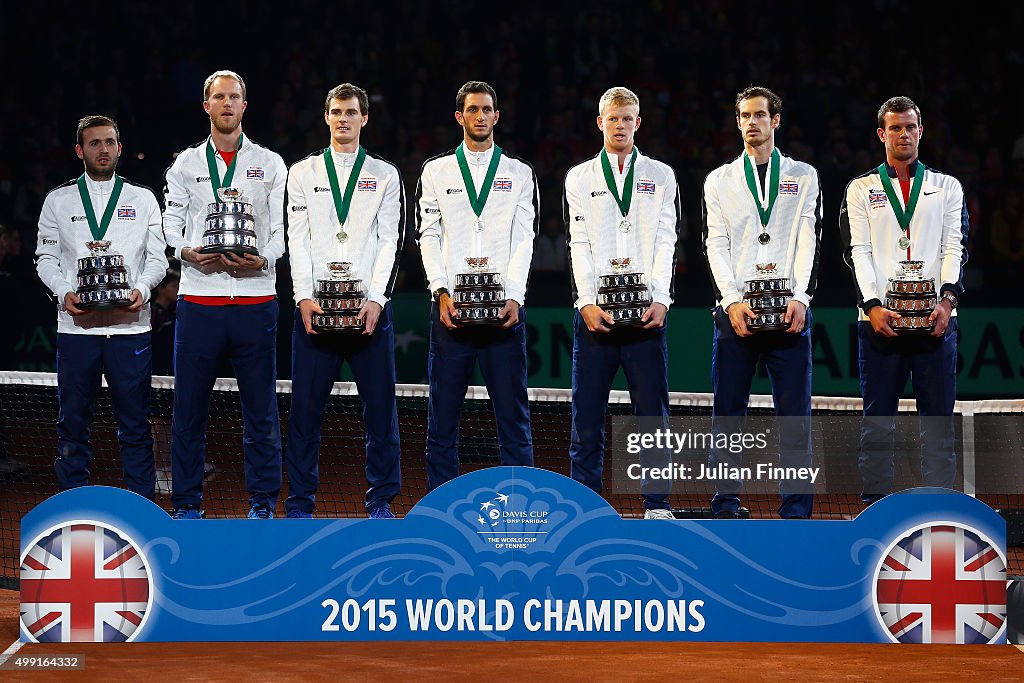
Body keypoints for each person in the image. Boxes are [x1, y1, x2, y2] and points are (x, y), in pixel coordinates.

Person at [162, 70, 287, 519]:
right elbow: (170, 226)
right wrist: (185, 253)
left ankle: (261, 505)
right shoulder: (185, 165)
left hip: (256, 301)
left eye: (235, 97)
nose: (228, 104)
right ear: (207, 106)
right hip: (199, 301)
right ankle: (187, 505)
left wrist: (265, 260)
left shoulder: (271, 163)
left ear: (244, 106)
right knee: (189, 413)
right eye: (219, 97)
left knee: (261, 414)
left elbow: (279, 232)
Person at [840, 96, 968, 502]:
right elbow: (856, 250)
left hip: (935, 321)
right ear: (882, 134)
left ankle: (939, 510)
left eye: (911, 127)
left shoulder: (947, 187)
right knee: (878, 424)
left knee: (938, 426)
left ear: (921, 131)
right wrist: (871, 305)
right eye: (896, 128)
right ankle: (875, 510)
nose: (904, 134)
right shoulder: (861, 188)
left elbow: (956, 247)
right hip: (880, 324)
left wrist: (947, 301)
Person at [702, 86, 821, 519]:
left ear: (776, 120)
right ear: (737, 122)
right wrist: (731, 301)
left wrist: (801, 298)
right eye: (745, 116)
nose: (752, 122)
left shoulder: (804, 176)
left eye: (760, 115)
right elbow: (716, 244)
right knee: (727, 415)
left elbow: (808, 241)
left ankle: (796, 510)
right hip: (736, 315)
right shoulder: (719, 180)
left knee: (795, 419)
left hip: (789, 313)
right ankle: (726, 503)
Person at [285, 83, 403, 518]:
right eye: (336, 111)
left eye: (351, 112)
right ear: (326, 117)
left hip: (368, 312)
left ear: (364, 118)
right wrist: (301, 297)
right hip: (315, 310)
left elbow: (390, 240)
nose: (343, 119)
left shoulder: (386, 175)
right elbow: (297, 241)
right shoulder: (302, 174)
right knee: (304, 414)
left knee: (381, 413)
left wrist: (376, 299)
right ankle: (299, 503)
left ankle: (381, 500)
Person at [35, 115, 168, 499]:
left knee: (135, 423)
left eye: (110, 142)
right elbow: (45, 258)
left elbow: (158, 259)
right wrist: (63, 293)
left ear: (120, 147)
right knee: (72, 422)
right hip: (77, 330)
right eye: (94, 143)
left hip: (130, 329)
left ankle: (143, 503)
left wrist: (142, 288)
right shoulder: (58, 200)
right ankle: (73, 503)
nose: (103, 149)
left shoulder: (142, 198)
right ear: (80, 151)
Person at [564, 86, 681, 519]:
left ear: (638, 122)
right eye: (612, 118)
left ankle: (657, 505)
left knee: (652, 415)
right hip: (596, 314)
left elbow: (667, 239)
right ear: (600, 123)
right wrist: (585, 302)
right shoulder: (579, 177)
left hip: (647, 315)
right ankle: (584, 506)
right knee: (587, 416)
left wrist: (663, 300)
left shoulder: (662, 175)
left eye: (627, 118)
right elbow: (579, 242)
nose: (620, 125)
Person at [416, 80, 537, 490]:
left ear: (496, 116)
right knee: (443, 416)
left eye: (487, 109)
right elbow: (428, 235)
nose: (480, 116)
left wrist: (516, 296)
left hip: (504, 312)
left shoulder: (519, 173)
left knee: (513, 416)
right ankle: (439, 505)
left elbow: (525, 237)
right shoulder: (436, 171)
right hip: (451, 311)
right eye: (473, 109)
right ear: (460, 116)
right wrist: (441, 291)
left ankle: (520, 503)